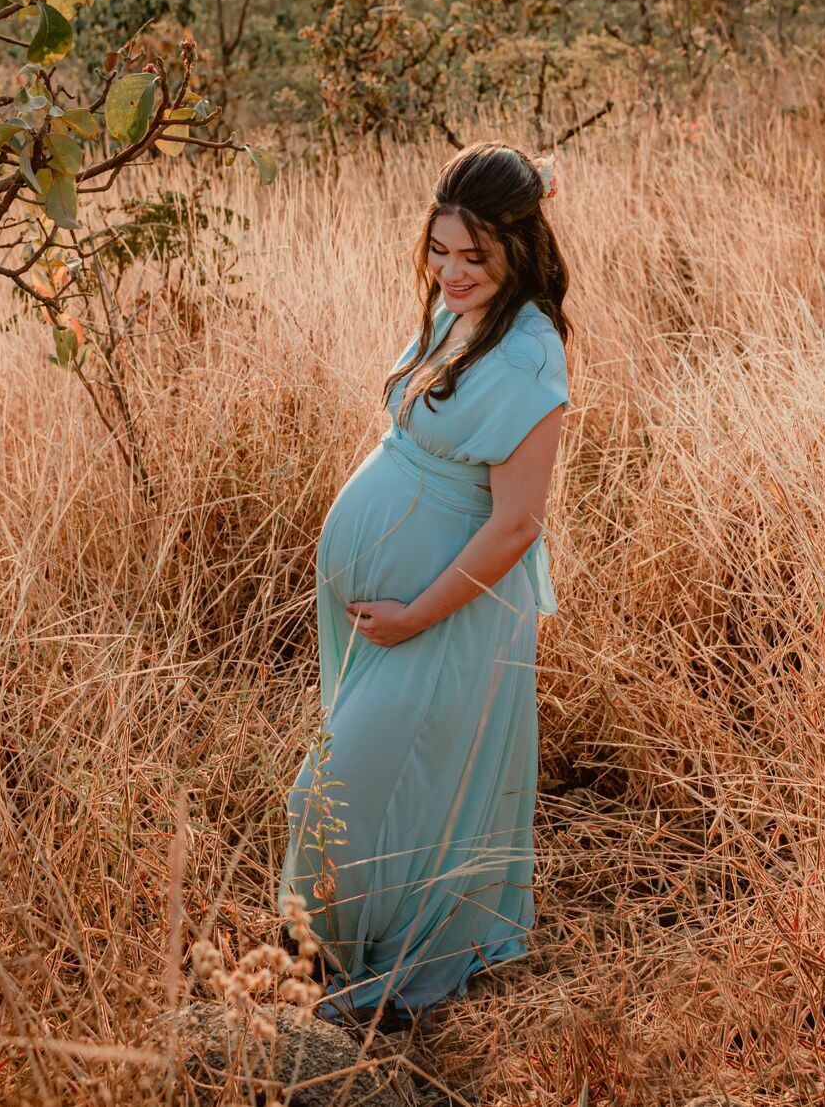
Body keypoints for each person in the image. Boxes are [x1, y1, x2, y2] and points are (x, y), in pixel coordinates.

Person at [278, 141, 572, 1031]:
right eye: (440, 249)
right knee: (393, 786)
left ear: (519, 250)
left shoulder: (530, 360)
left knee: (336, 794)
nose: (450, 271)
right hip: (394, 611)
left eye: (474, 257)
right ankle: (338, 963)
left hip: (448, 614)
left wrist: (413, 615)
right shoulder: (460, 317)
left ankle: (390, 973)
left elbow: (518, 524)